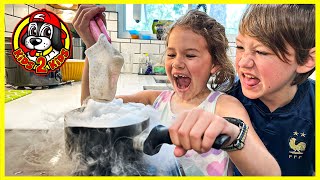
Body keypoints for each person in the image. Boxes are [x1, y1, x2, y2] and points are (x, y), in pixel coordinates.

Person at [72, 5, 280, 176]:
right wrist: (95, 49)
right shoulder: (153, 101)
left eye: (190, 56)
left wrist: (232, 134)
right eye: (171, 55)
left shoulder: (224, 106)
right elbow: (92, 110)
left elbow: (270, 174)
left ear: (214, 64)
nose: (177, 64)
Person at [227, 4, 315, 176]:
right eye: (239, 47)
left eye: (261, 51)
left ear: (306, 60)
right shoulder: (227, 99)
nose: (243, 63)